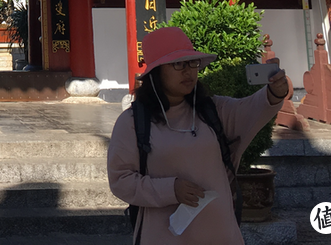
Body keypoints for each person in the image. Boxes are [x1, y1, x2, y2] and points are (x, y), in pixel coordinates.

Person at [106, 26, 289, 244]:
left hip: (220, 233)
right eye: (178, 64)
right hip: (164, 236)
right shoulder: (133, 122)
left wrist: (275, 92)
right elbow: (121, 181)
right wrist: (170, 189)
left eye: (192, 63)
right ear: (156, 72)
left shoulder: (212, 111)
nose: (189, 71)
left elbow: (254, 108)